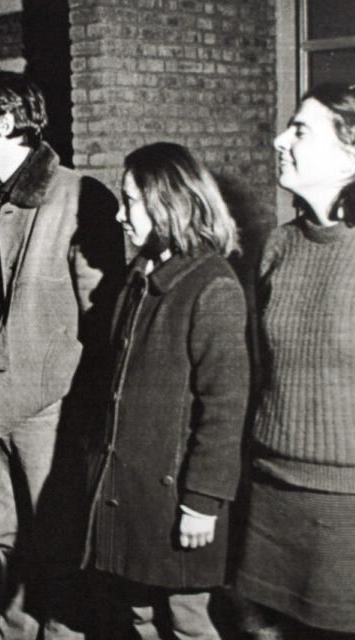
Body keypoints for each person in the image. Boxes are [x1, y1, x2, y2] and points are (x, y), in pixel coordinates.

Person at [0, 72, 123, 639]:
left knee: (56, 540)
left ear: (7, 125)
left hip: (46, 405)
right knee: (2, 534)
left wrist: (84, 407)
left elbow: (102, 317)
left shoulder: (78, 195)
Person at [84, 142, 249, 639]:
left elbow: (225, 408)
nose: (119, 215)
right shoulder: (140, 274)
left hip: (176, 494)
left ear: (168, 203)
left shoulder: (212, 286)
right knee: (138, 614)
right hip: (130, 489)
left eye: (130, 201)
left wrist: (203, 501)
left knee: (186, 619)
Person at [235, 83, 355, 638]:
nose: (279, 140)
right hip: (272, 488)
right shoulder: (277, 247)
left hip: (345, 506)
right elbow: (259, 371)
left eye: (300, 130)